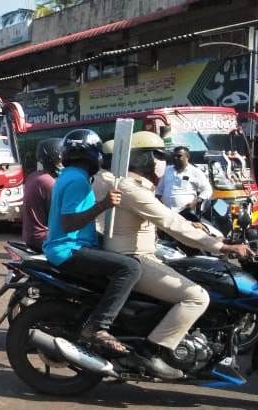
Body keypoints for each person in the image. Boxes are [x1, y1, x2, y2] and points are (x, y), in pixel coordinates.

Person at [93, 132, 251, 379]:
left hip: (142, 253)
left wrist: (212, 236)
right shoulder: (128, 187)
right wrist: (221, 248)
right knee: (196, 296)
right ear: (141, 158)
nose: (162, 161)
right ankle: (151, 351)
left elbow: (169, 216)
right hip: (135, 257)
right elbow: (171, 223)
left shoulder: (121, 182)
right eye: (156, 155)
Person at [43, 129, 139, 356]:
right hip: (69, 250)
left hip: (68, 246)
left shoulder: (69, 175)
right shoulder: (78, 181)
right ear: (94, 155)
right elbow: (68, 223)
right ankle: (99, 326)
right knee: (130, 268)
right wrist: (103, 205)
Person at [21, 138, 63, 252]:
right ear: (53, 160)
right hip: (44, 238)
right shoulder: (49, 182)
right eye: (61, 161)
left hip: (31, 237)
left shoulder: (33, 176)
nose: (63, 164)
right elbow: (58, 216)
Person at [155, 146, 212, 215]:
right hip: (166, 212)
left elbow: (207, 190)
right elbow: (159, 190)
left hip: (185, 213)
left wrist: (196, 202)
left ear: (187, 157)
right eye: (174, 156)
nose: (175, 158)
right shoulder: (167, 170)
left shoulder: (195, 172)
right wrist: (158, 205)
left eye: (179, 156)